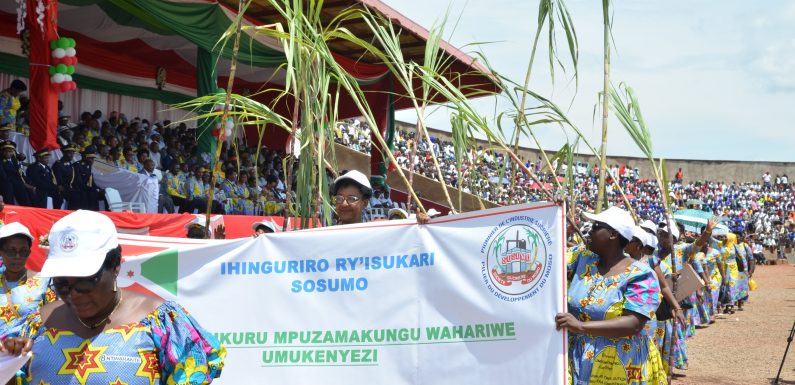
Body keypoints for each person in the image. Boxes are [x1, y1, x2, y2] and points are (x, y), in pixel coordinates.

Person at [1, 210, 226, 384]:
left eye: (85, 282)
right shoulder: (35, 326)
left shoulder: (162, 324)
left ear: (116, 266)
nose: (74, 295)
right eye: (61, 284)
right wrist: (9, 362)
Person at [556, 207, 664, 385]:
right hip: (577, 356)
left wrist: (581, 326)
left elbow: (634, 323)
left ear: (613, 234)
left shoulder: (641, 274)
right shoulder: (582, 259)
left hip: (616, 364)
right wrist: (557, 218)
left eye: (596, 226)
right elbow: (546, 262)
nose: (589, 230)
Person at [0, 222, 56, 337]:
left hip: (30, 351)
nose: (17, 257)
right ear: (1, 252)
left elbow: (54, 319)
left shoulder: (44, 281)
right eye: (11, 251)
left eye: (23, 252)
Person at [52, 144, 81, 210]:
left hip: (69, 188)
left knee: (81, 194)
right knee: (74, 196)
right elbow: (58, 179)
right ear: (64, 153)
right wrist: (69, 188)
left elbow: (74, 179)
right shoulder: (58, 164)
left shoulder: (71, 165)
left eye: (73, 153)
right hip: (61, 188)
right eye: (69, 153)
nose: (71, 155)